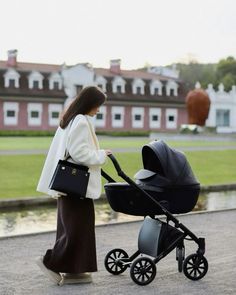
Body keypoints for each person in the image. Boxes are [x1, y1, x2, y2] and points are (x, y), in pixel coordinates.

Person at [36, 86, 112, 286]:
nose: (98, 110)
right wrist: (102, 155)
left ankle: (74, 271)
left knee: (72, 228)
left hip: (68, 185)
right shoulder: (80, 121)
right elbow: (79, 153)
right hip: (77, 187)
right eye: (98, 105)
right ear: (90, 103)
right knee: (76, 229)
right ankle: (50, 262)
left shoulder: (71, 119)